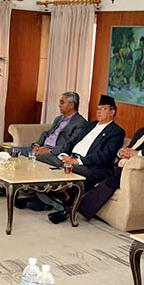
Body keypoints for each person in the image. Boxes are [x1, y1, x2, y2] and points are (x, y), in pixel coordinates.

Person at [76, 100, 144, 220]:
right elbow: (130, 147)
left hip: (130, 171)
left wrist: (138, 154)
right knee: (90, 174)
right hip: (117, 166)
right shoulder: (142, 131)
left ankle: (80, 211)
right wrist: (122, 152)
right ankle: (68, 201)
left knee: (108, 183)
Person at [0, 91, 87, 197]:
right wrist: (37, 145)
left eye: (62, 102)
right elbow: (46, 133)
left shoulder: (80, 123)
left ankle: (20, 190)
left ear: (71, 105)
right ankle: (5, 185)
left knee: (34, 158)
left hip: (55, 153)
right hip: (42, 147)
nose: (59, 105)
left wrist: (50, 150)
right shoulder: (59, 119)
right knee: (11, 151)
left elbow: (70, 143)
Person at [40, 95, 126, 224]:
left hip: (91, 166)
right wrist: (64, 154)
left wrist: (79, 161)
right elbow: (72, 141)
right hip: (70, 158)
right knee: (40, 159)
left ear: (112, 112)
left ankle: (61, 203)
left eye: (103, 109)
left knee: (62, 169)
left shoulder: (116, 132)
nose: (98, 112)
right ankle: (48, 199)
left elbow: (104, 155)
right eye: (98, 109)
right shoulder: (90, 125)